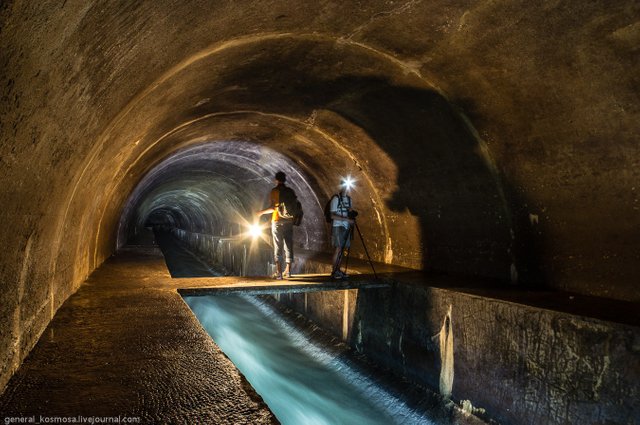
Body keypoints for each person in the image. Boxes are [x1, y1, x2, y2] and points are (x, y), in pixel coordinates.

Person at [256, 171, 295, 280]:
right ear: (285, 179)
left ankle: (279, 273)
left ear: (276, 180)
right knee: (288, 245)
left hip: (277, 221)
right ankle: (288, 271)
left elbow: (273, 208)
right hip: (289, 221)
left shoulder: (275, 191)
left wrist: (261, 212)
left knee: (278, 246)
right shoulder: (290, 191)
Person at [330, 179, 355, 279]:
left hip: (346, 226)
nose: (346, 188)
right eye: (344, 186)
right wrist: (346, 219)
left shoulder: (349, 199)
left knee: (342, 249)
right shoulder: (336, 199)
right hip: (338, 226)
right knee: (338, 248)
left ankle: (338, 270)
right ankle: (334, 271)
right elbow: (332, 215)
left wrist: (351, 217)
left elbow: (350, 212)